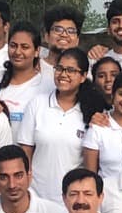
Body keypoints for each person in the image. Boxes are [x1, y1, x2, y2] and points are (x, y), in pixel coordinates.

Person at [17, 47, 98, 203]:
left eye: (70, 70)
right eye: (59, 68)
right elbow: (25, 152)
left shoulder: (91, 112)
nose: (63, 74)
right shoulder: (38, 104)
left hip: (71, 200)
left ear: (83, 76)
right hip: (35, 196)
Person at [0, 24, 53, 131]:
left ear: (37, 51)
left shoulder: (47, 87)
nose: (18, 52)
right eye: (13, 46)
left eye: (25, 47)